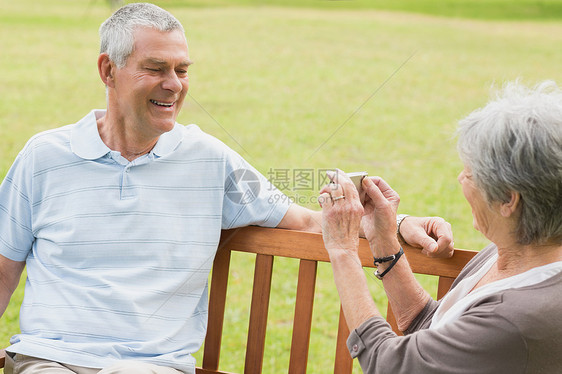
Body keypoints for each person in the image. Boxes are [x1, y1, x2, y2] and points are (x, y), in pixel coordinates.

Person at [0, 3, 454, 374]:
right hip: (51, 360)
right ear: (108, 70)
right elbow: (3, 270)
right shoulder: (44, 157)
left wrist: (398, 226)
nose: (174, 85)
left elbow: (308, 220)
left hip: (152, 367)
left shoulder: (208, 160)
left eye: (181, 69)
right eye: (155, 68)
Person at [320, 81, 562, 373]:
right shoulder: (511, 250)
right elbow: (432, 331)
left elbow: (391, 365)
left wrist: (342, 252)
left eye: (471, 174)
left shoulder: (514, 319)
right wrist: (381, 238)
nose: (461, 179)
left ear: (508, 200)